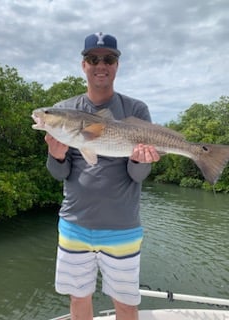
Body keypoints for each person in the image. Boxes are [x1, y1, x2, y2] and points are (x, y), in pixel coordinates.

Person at [45, 32, 160, 320]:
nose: (101, 65)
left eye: (108, 58)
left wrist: (139, 160)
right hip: (74, 226)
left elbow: (138, 175)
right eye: (93, 59)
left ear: (116, 65)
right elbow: (60, 173)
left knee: (126, 305)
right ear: (83, 65)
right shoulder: (66, 111)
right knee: (78, 299)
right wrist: (56, 155)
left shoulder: (135, 109)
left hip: (122, 227)